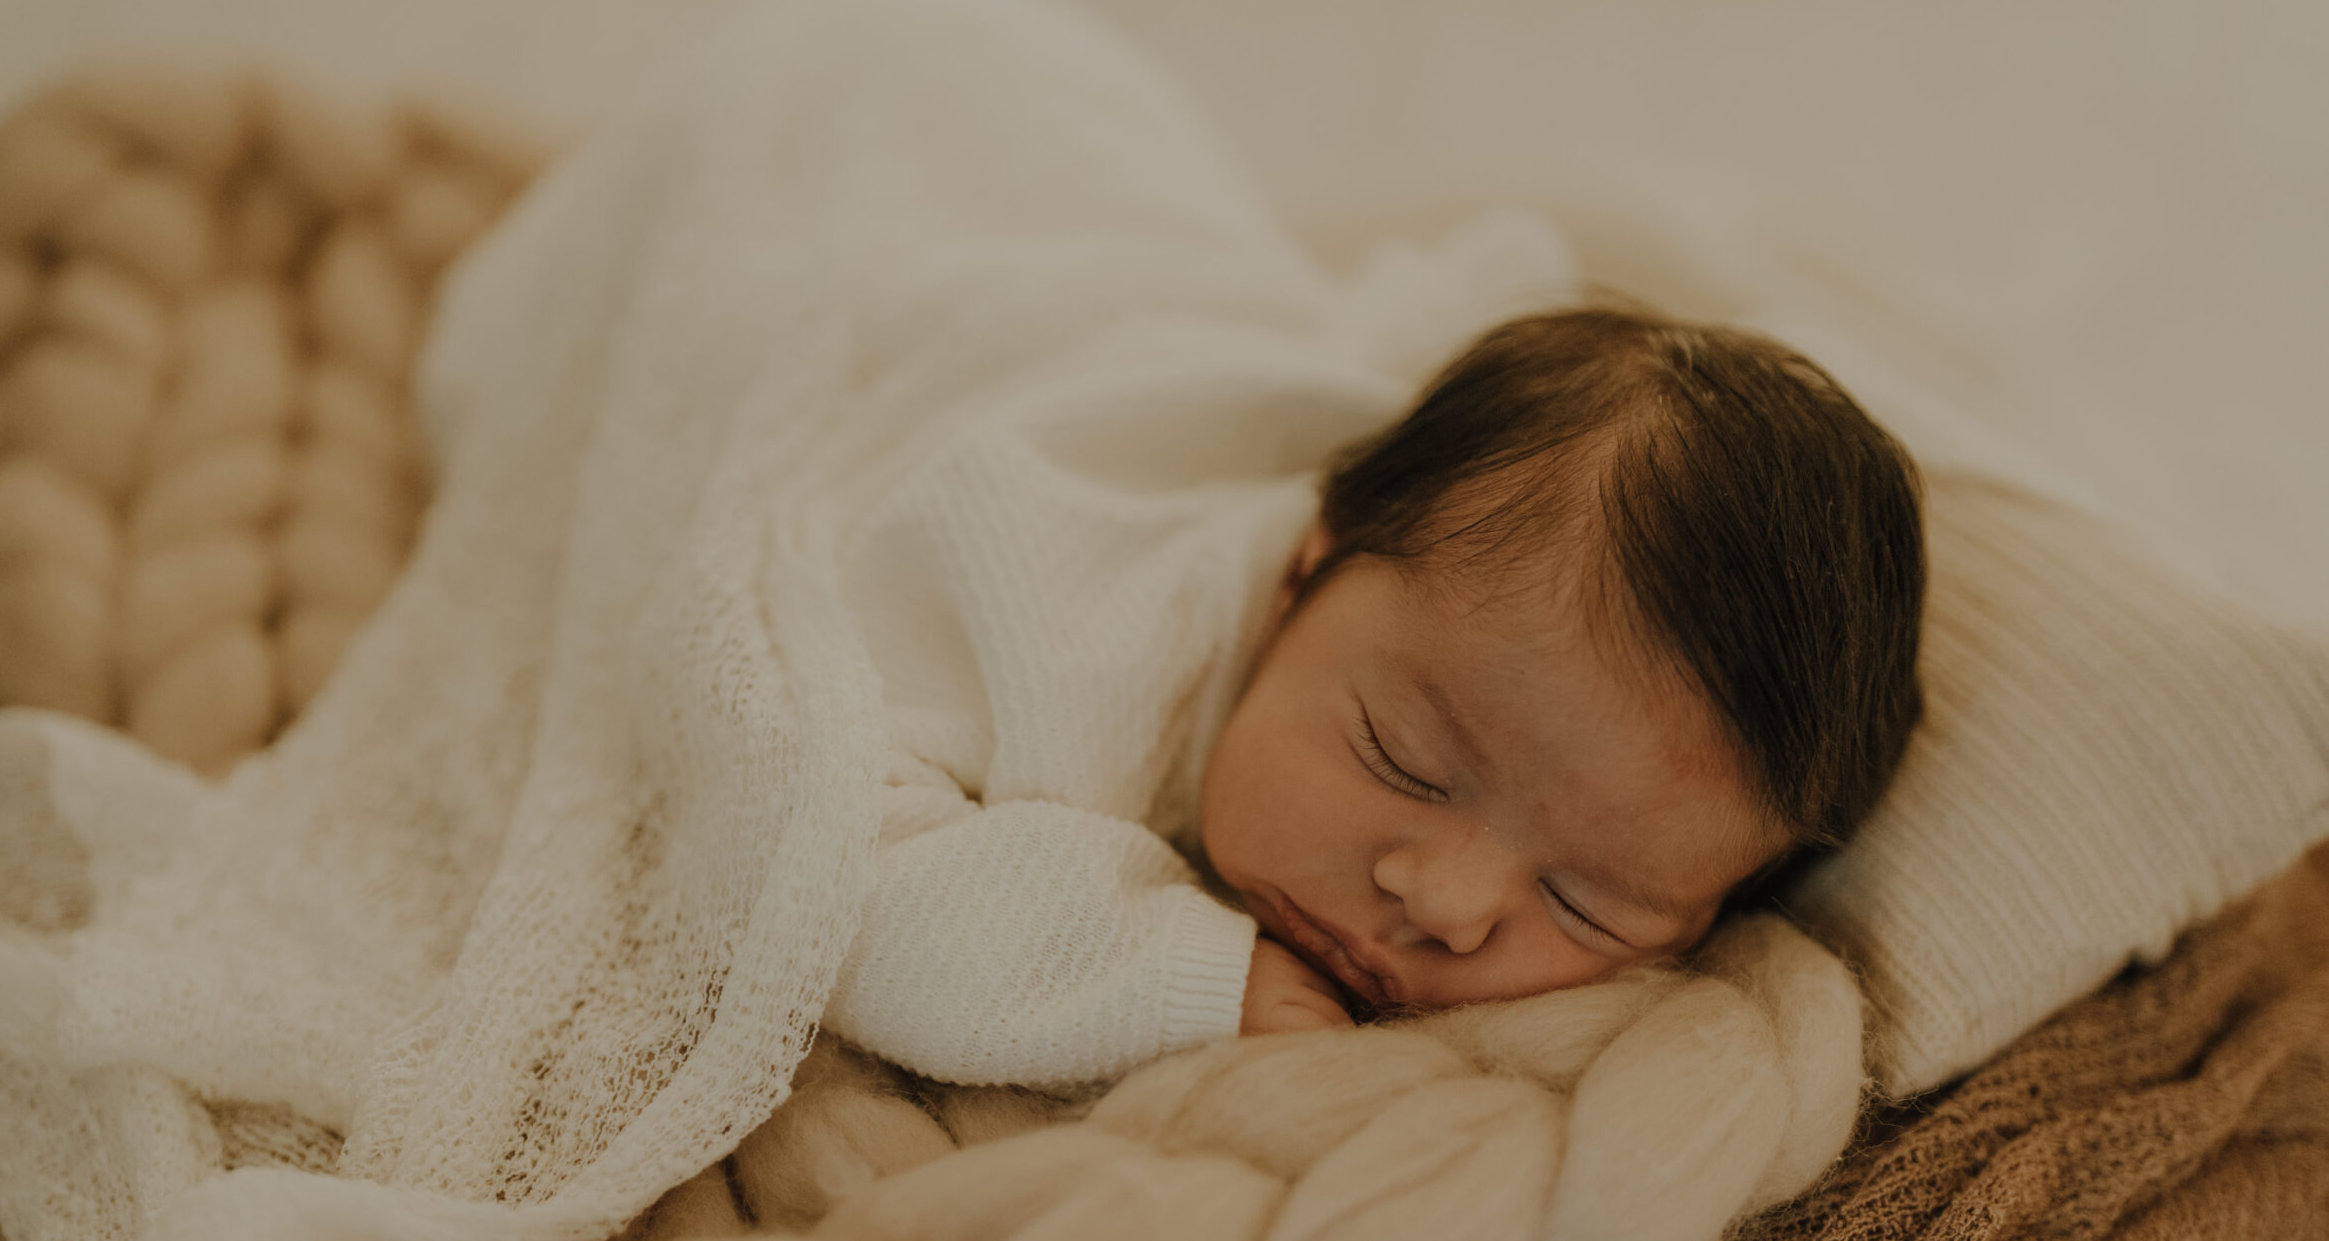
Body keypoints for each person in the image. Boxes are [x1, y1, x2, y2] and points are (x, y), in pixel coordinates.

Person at [823, 303, 1924, 1088]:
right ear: (1306, 574)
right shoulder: (1053, 626)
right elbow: (816, 859)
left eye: (1589, 905)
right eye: (1402, 757)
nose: (1444, 905)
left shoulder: (1448, 658)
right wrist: (1180, 978)